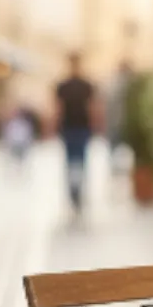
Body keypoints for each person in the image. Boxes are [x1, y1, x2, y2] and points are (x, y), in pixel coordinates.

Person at [52, 52, 99, 212]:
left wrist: (94, 124)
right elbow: (59, 109)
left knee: (77, 160)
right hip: (72, 128)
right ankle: (74, 192)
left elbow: (91, 107)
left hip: (78, 127)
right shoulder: (71, 85)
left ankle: (76, 191)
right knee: (74, 160)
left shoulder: (78, 85)